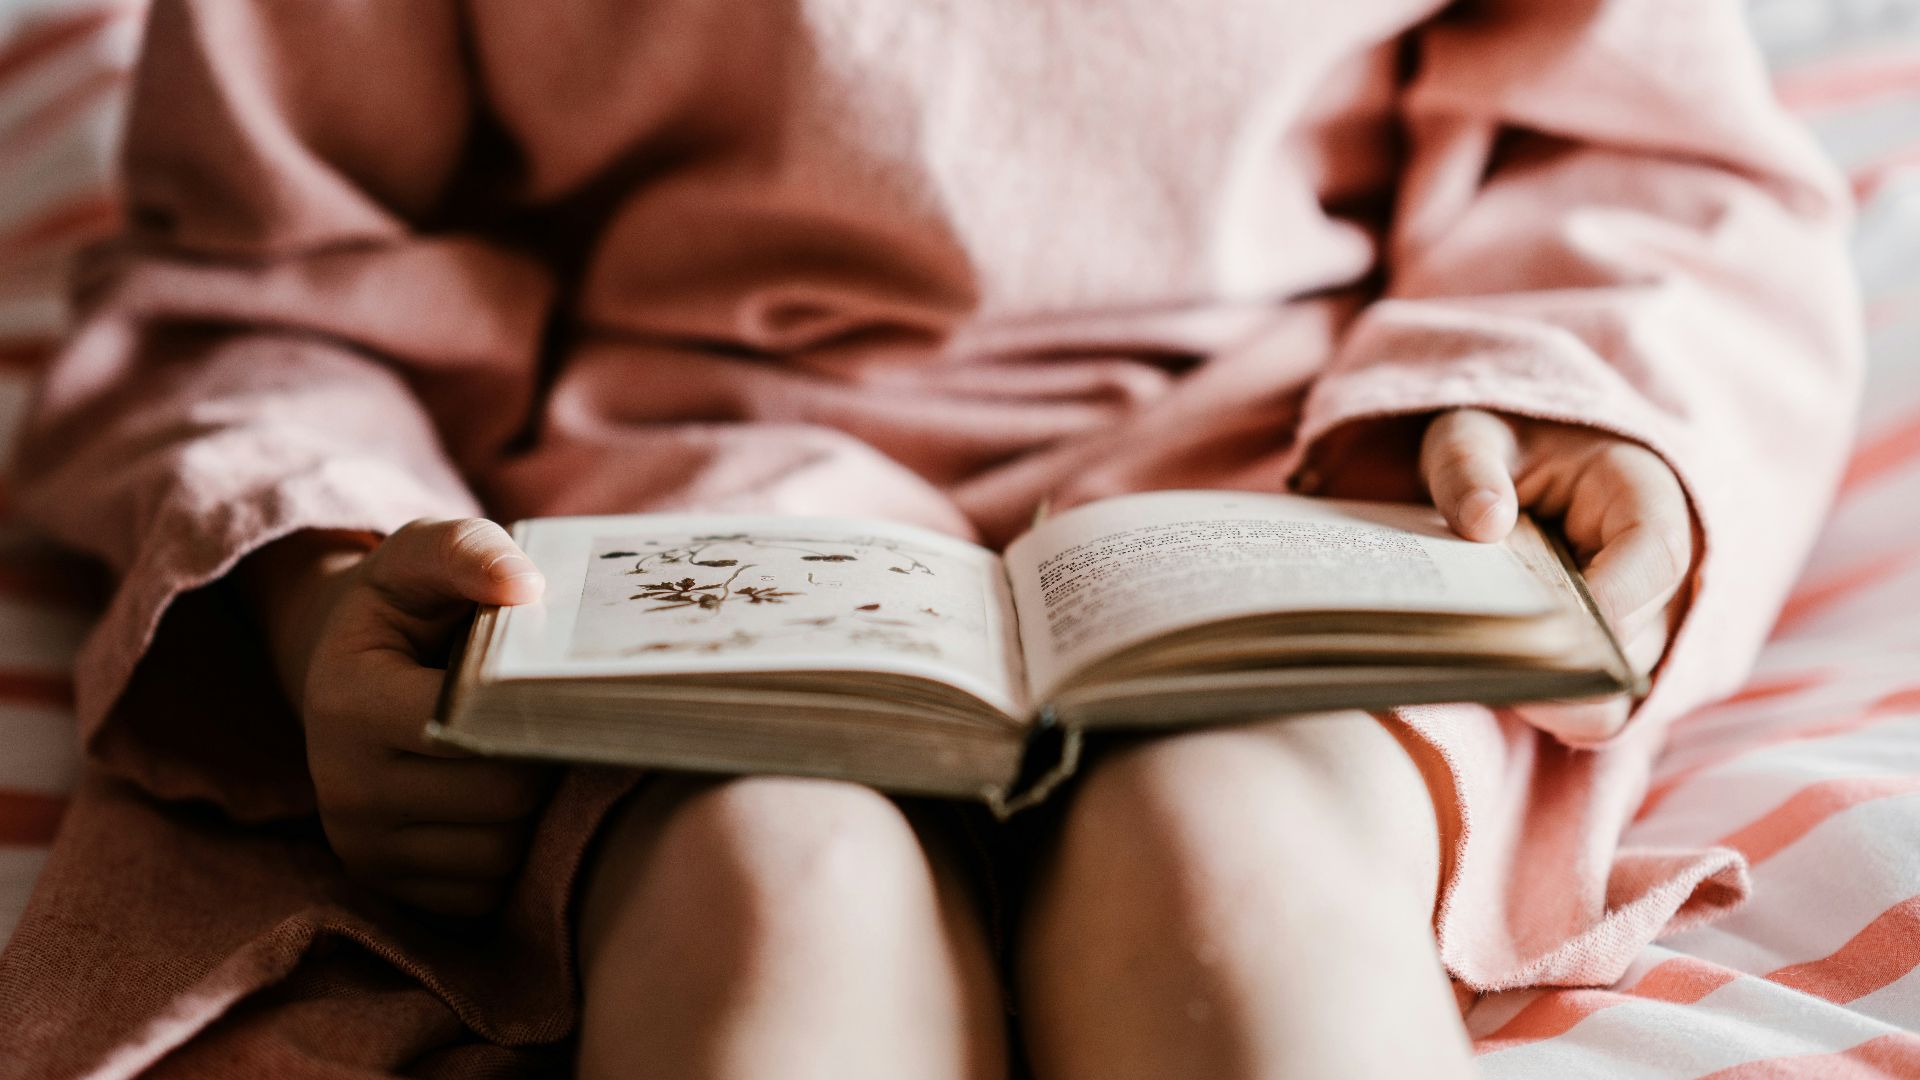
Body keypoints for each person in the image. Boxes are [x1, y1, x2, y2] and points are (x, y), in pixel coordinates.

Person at [0, 1, 1860, 1077]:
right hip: (672, 504)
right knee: (765, 894)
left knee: (1238, 878)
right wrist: (328, 596)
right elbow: (263, 278)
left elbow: (1639, 152)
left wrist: (1571, 403)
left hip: (1298, 480)